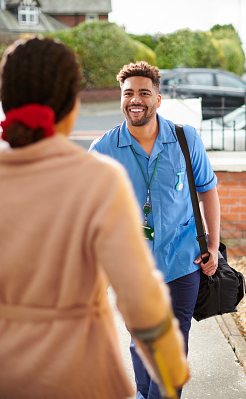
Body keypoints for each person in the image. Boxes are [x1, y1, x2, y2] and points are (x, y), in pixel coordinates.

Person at [0, 38, 189, 399]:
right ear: (72, 105)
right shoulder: (99, 179)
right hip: (81, 378)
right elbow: (139, 298)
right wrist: (171, 369)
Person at [89, 61, 221, 399]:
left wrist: (213, 246)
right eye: (128, 93)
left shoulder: (185, 138)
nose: (136, 99)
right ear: (121, 99)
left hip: (182, 262)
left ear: (158, 99)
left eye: (144, 93)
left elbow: (207, 191)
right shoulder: (103, 150)